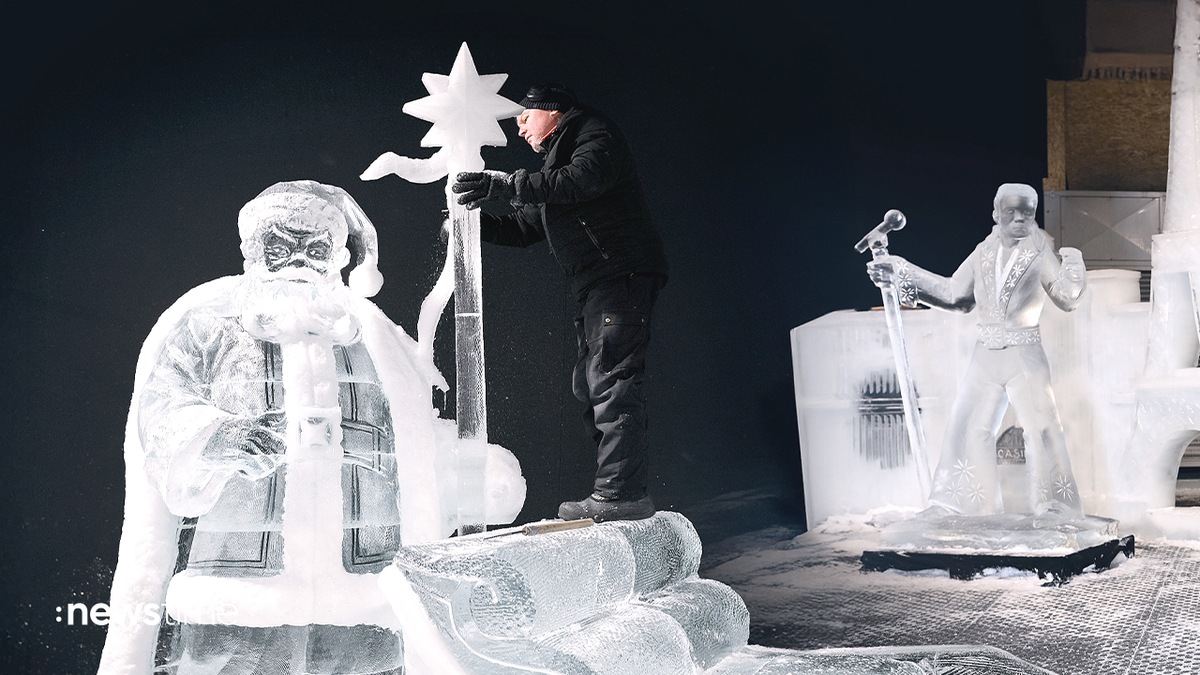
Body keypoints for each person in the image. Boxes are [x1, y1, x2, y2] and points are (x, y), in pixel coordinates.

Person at [99, 180, 523, 675]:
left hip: (368, 611)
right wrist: (215, 439)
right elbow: (162, 413)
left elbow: (415, 453)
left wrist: (471, 473)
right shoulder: (207, 324)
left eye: (315, 249)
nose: (298, 262)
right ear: (251, 251)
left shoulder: (375, 335)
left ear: (339, 256)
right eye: (279, 247)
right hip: (239, 609)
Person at [451, 83, 669, 523]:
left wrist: (506, 182)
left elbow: (583, 180)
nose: (519, 129)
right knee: (589, 385)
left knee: (612, 380)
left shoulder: (592, 133)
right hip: (595, 284)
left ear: (552, 111)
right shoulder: (554, 167)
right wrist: (468, 225)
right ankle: (620, 489)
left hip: (618, 273)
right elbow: (523, 228)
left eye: (524, 118)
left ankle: (620, 495)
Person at [867, 183, 1088, 516]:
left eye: (1026, 213)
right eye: (1010, 212)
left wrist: (1073, 265)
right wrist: (900, 272)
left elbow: (1066, 296)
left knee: (1042, 428)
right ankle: (963, 505)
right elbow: (955, 294)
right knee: (967, 425)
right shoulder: (982, 253)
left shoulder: (1039, 253)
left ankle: (1055, 506)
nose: (1018, 219)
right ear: (996, 213)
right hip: (986, 353)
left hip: (1024, 352)